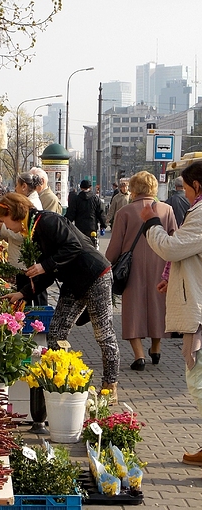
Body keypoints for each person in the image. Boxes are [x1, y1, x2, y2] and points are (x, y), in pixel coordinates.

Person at [0, 192, 120, 403]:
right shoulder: (33, 228)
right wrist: (23, 293)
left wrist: (43, 266)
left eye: (3, 220)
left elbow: (73, 247)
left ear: (12, 213)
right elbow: (48, 272)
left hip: (94, 276)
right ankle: (63, 377)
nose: (5, 226)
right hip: (72, 281)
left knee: (103, 333)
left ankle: (110, 384)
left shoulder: (47, 221)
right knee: (57, 331)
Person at [140, 161, 202, 465]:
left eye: (187, 187)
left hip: (200, 309)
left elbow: (172, 248)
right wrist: (172, 277)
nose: (186, 193)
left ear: (197, 186)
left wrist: (151, 222)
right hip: (197, 300)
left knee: (198, 379)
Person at [105, 171, 177, 371]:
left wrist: (104, 265)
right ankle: (156, 348)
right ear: (154, 188)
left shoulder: (125, 212)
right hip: (161, 266)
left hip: (131, 268)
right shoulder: (167, 210)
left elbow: (115, 246)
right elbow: (175, 239)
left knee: (132, 309)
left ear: (134, 189)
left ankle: (139, 355)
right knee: (157, 305)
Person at [0, 172, 46, 306]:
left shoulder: (31, 205)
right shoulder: (27, 202)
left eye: (16, 185)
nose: (15, 188)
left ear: (23, 186)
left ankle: (38, 323)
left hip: (27, 262)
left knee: (34, 296)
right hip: (24, 261)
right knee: (28, 294)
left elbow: (25, 234)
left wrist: (2, 228)